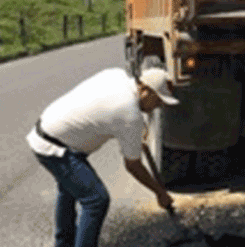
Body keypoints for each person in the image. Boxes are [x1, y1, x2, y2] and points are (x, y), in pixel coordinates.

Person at [27, 67, 179, 247]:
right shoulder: (130, 115)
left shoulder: (117, 75)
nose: (159, 106)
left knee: (69, 187)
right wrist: (160, 193)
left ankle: (64, 243)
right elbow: (133, 166)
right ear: (145, 89)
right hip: (54, 147)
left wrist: (136, 134)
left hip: (47, 128)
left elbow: (112, 112)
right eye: (158, 100)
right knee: (96, 200)